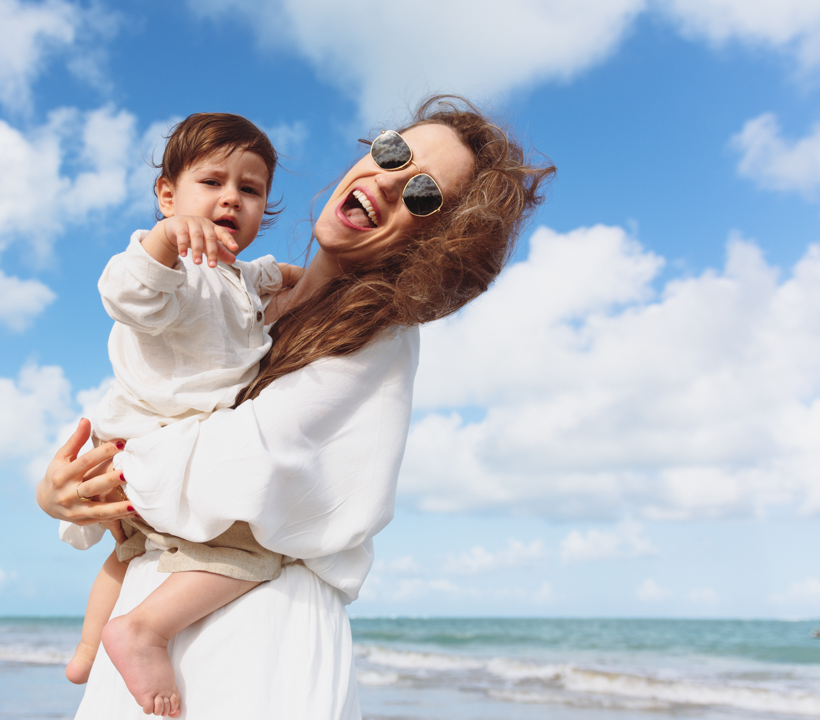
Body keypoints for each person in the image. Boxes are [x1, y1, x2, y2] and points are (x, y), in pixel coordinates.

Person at [38, 95, 554, 719]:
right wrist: (67, 493)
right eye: (394, 151)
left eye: (424, 195)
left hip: (258, 639)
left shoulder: (377, 334)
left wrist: (113, 470)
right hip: (153, 626)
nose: (390, 181)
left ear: (438, 242)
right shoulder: (241, 300)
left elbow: (247, 467)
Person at [61, 113, 303, 716]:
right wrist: (166, 238)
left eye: (250, 190)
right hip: (157, 446)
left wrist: (306, 279)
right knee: (253, 546)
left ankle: (89, 650)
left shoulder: (240, 276)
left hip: (153, 453)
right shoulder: (170, 270)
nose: (231, 198)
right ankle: (143, 630)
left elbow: (278, 280)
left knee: (129, 553)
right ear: (168, 196)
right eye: (212, 182)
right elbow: (125, 292)